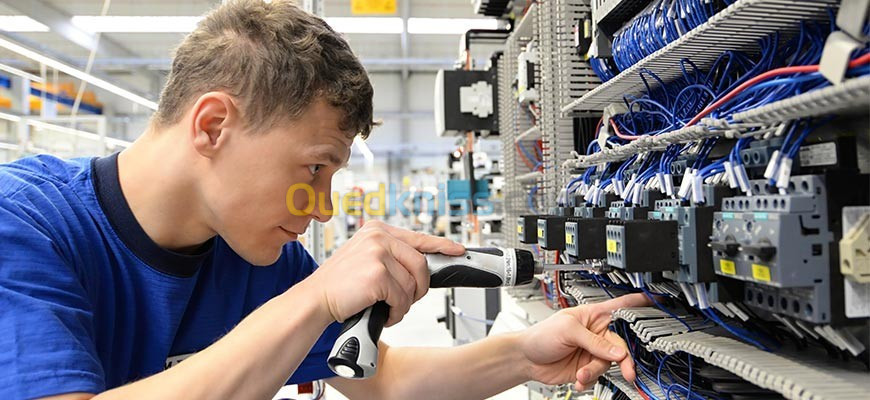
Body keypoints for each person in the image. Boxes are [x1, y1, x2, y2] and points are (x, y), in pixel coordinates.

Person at [0, 1, 648, 399]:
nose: (323, 208)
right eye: (315, 166)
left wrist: (524, 352)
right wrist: (311, 300)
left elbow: (383, 384)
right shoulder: (24, 225)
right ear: (212, 127)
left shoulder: (257, 258)